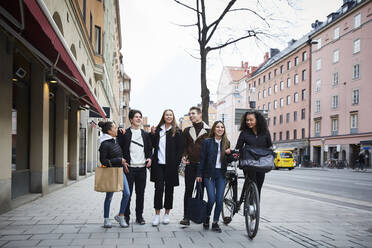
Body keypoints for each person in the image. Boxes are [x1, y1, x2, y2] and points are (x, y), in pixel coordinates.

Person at [196, 121, 235, 233]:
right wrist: (199, 174)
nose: (220, 129)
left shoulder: (226, 142)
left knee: (219, 200)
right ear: (214, 129)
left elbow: (228, 160)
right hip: (209, 174)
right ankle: (207, 216)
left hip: (221, 174)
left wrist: (231, 154)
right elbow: (202, 159)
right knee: (211, 199)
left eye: (222, 127)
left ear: (224, 129)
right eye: (217, 127)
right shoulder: (207, 142)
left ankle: (215, 222)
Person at [117, 109, 152, 225]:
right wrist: (123, 162)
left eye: (140, 117)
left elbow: (149, 149)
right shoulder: (124, 133)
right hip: (129, 168)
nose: (139, 119)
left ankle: (139, 217)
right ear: (131, 119)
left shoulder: (145, 134)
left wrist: (149, 158)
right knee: (128, 194)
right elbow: (119, 149)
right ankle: (126, 216)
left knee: (140, 194)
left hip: (142, 168)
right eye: (136, 117)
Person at [150, 109, 184, 226]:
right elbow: (153, 145)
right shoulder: (158, 130)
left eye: (170, 115)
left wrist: (176, 163)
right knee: (158, 189)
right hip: (159, 165)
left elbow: (180, 150)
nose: (169, 117)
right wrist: (152, 134)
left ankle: (166, 214)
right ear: (163, 116)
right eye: (166, 115)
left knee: (169, 190)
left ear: (173, 117)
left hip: (171, 166)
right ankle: (156, 215)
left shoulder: (177, 131)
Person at [180, 106, 210, 226]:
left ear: (200, 115)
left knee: (201, 191)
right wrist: (183, 155)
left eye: (193, 113)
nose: (191, 116)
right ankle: (186, 216)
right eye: (189, 114)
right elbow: (185, 146)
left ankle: (200, 216)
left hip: (203, 167)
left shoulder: (209, 131)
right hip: (191, 165)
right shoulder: (187, 130)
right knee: (188, 190)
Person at [98, 121, 130, 228]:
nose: (116, 129)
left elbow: (121, 140)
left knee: (127, 194)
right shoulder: (104, 143)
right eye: (115, 128)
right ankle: (106, 219)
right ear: (109, 131)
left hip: (120, 171)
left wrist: (123, 163)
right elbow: (103, 161)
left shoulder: (115, 140)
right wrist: (118, 160)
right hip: (110, 172)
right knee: (109, 196)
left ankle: (120, 216)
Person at [236, 110, 272, 198]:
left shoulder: (265, 132)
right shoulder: (244, 133)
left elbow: (269, 146)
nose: (248, 122)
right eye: (247, 120)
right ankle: (248, 201)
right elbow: (238, 147)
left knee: (258, 187)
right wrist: (235, 153)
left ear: (257, 120)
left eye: (251, 120)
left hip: (261, 163)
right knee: (252, 183)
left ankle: (255, 209)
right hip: (249, 163)